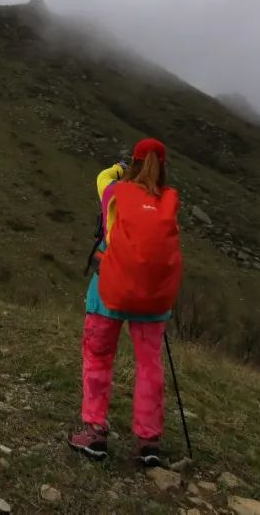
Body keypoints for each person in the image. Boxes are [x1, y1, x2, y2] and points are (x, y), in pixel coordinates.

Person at [68, 138, 183, 466]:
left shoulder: (113, 192)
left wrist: (119, 169)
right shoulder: (169, 200)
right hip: (153, 299)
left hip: (108, 291)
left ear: (132, 163)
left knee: (98, 357)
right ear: (164, 167)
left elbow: (102, 175)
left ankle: (95, 431)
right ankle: (149, 441)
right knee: (150, 364)